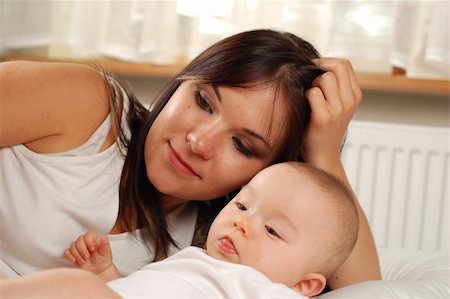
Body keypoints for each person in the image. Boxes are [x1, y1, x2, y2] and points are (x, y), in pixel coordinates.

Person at [0, 29, 380, 289]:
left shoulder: (220, 246)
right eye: (202, 101)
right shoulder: (88, 107)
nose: (199, 141)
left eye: (243, 146)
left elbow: (364, 293)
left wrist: (324, 156)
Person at [0, 162, 359, 299]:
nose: (243, 223)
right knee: (83, 286)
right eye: (242, 205)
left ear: (304, 286)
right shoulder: (194, 259)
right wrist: (104, 273)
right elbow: (136, 290)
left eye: (273, 231)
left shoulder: (264, 289)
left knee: (75, 288)